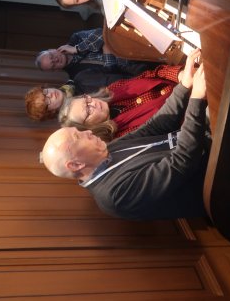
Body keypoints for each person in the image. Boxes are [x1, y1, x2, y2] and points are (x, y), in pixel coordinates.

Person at [41, 55, 210, 221]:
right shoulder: (114, 196)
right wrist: (196, 98)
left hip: (204, 144)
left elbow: (154, 126)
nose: (89, 133)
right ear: (76, 165)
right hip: (213, 173)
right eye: (79, 136)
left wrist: (184, 85)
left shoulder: (106, 151)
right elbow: (182, 161)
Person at [58, 52, 200, 140]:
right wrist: (187, 87)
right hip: (198, 109)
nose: (93, 104)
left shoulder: (112, 90)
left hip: (189, 80)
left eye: (86, 100)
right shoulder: (123, 136)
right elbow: (174, 126)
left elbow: (152, 74)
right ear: (89, 128)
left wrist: (179, 75)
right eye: (88, 111)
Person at [35, 28, 158, 92]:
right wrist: (106, 48)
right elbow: (110, 75)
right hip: (135, 70)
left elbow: (103, 33)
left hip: (133, 46)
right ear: (55, 70)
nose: (55, 60)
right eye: (53, 65)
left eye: (51, 56)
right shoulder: (77, 77)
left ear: (52, 49)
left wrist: (77, 48)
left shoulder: (76, 38)